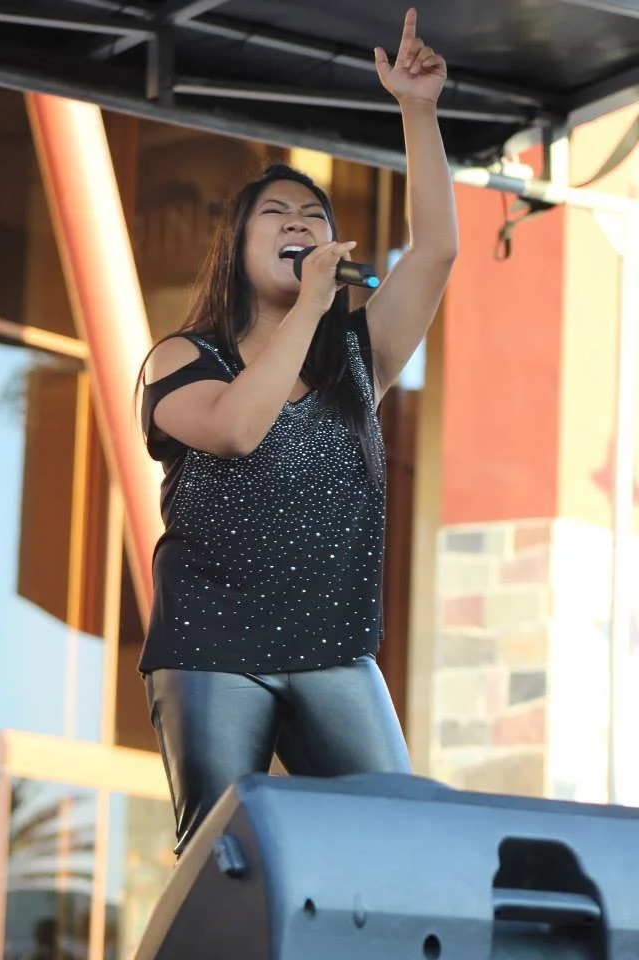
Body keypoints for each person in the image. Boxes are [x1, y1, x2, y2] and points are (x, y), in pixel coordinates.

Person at [138, 7, 458, 858]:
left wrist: (418, 112)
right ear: (234, 247)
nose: (298, 223)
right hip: (213, 645)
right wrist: (314, 300)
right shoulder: (181, 358)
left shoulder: (361, 360)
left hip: (334, 650)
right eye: (275, 214)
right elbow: (242, 427)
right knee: (225, 857)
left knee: (399, 839)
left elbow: (435, 253)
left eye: (313, 216)